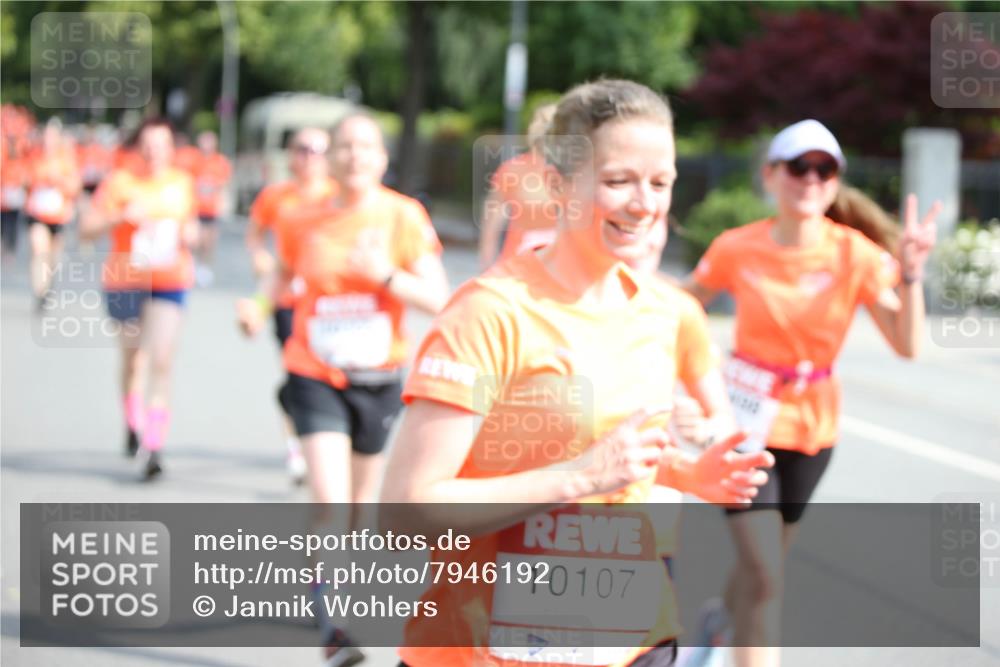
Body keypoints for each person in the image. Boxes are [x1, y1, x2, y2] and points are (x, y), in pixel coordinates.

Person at [380, 79, 773, 667]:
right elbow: (406, 513)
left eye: (661, 182)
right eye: (618, 181)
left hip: (632, 641)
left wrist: (685, 476)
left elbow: (601, 450)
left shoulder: (661, 313)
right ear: (560, 186)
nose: (644, 203)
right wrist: (578, 476)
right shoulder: (490, 313)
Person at [681, 119, 940, 667]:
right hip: (745, 423)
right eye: (799, 166)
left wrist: (912, 276)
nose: (812, 179)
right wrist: (692, 381)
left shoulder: (856, 254)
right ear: (771, 175)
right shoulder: (736, 247)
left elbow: (907, 345)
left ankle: (716, 623)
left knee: (764, 566)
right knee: (768, 575)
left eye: (825, 169)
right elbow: (681, 312)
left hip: (814, 428)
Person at [278, 113, 450, 666]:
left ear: (382, 157)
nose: (354, 155)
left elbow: (440, 298)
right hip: (313, 372)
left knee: (357, 507)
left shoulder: (403, 216)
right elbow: (281, 280)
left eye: (366, 146)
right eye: (344, 146)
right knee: (330, 500)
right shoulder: (300, 217)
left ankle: (324, 588)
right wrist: (258, 309)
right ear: (329, 157)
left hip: (376, 381)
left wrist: (383, 275)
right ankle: (338, 626)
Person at [82, 118, 199, 480]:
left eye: (162, 145)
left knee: (161, 359)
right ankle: (132, 422)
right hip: (124, 280)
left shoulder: (182, 183)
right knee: (133, 360)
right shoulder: (120, 182)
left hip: (169, 279)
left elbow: (192, 226)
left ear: (171, 149)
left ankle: (154, 443)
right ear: (138, 148)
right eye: (148, 145)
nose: (154, 153)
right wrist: (119, 217)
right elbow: (87, 229)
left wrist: (187, 234)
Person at [237, 126, 338, 485]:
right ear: (291, 156)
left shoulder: (338, 197)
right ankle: (297, 446)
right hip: (288, 301)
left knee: (331, 374)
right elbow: (254, 236)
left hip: (331, 305)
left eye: (318, 150)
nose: (310, 157)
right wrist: (261, 257)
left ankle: (330, 439)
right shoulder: (276, 197)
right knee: (298, 375)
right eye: (302, 149)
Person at [478, 103, 559, 270]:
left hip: (551, 266)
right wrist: (487, 269)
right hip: (521, 264)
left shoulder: (576, 172)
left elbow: (490, 228)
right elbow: (491, 226)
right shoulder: (513, 169)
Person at [25, 120, 81, 310]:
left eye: (52, 136)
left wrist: (58, 181)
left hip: (58, 216)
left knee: (52, 257)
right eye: (46, 135)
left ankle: (48, 285)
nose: (48, 140)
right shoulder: (34, 156)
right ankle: (40, 291)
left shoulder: (66, 159)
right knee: (39, 250)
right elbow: (25, 180)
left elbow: (75, 187)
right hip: (37, 214)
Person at [187, 130, 232, 286]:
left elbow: (224, 185)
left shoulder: (220, 162)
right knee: (196, 239)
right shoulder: (194, 160)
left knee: (209, 241)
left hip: (212, 208)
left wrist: (224, 203)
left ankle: (204, 267)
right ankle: (191, 265)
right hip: (196, 207)